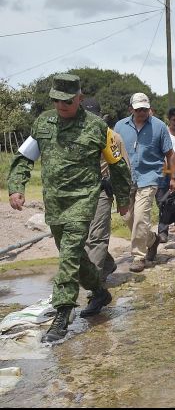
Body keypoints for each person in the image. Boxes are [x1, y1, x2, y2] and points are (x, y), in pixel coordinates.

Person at [7, 74, 132, 342]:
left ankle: (62, 313)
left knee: (70, 253)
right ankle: (99, 292)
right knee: (71, 253)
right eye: (56, 100)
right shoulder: (43, 123)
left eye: (67, 101)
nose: (61, 106)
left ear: (80, 98)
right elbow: (24, 157)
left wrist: (123, 198)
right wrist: (17, 186)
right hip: (55, 201)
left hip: (84, 198)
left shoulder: (97, 127)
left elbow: (118, 164)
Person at [114, 93, 175, 273]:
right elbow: (112, 152)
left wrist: (172, 177)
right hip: (126, 179)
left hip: (149, 178)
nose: (142, 112)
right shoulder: (119, 126)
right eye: (138, 109)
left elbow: (169, 154)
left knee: (141, 218)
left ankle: (138, 256)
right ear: (130, 109)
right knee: (128, 218)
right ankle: (152, 240)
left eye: (144, 108)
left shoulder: (159, 127)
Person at [81, 98, 130, 282]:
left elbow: (123, 167)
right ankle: (107, 264)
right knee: (82, 237)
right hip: (80, 193)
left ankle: (96, 283)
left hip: (102, 191)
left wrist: (123, 198)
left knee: (97, 236)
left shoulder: (112, 137)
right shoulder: (75, 135)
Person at [156, 107, 175, 243]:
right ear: (169, 120)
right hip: (165, 169)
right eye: (173, 120)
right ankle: (163, 231)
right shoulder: (164, 133)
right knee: (163, 201)